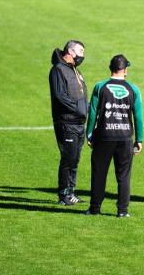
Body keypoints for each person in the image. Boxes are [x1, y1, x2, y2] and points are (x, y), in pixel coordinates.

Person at [85, 54, 144, 218]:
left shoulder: (100, 86)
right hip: (125, 138)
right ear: (125, 70)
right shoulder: (134, 89)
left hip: (104, 136)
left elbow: (93, 113)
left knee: (99, 173)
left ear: (110, 68)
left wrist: (89, 134)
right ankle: (122, 211)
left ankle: (95, 208)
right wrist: (139, 139)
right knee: (124, 175)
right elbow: (138, 116)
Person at [49, 40, 88, 205]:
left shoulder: (75, 71)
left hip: (78, 123)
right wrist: (78, 109)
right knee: (68, 158)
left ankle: (71, 192)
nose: (82, 56)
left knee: (75, 159)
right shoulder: (58, 70)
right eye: (80, 52)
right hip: (67, 122)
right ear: (71, 52)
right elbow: (59, 96)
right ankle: (63, 195)